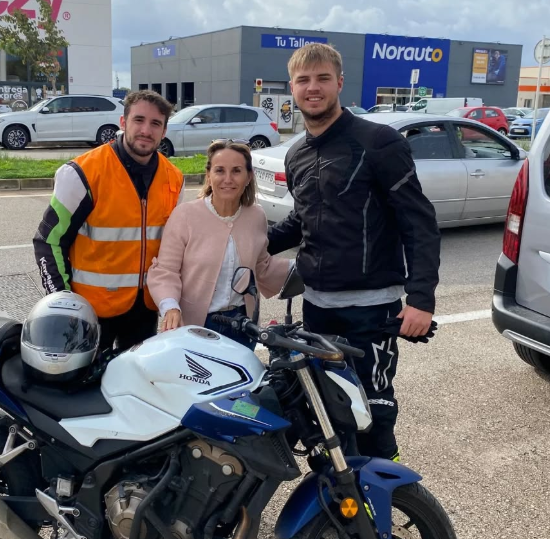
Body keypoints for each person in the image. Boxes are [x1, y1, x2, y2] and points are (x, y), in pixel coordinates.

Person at [268, 43, 441, 460]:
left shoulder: (378, 142)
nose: (313, 88)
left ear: (339, 83)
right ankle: (343, 509)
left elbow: (418, 223)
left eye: (323, 78)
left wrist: (421, 300)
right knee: (329, 414)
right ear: (292, 87)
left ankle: (384, 506)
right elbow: (303, 221)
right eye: (304, 80)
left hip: (373, 312)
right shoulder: (296, 154)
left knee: (374, 416)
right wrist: (243, 240)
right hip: (317, 310)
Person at [33, 90, 184, 351]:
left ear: (164, 131)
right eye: (139, 120)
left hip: (145, 311)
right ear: (123, 122)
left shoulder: (174, 178)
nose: (146, 130)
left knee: (135, 386)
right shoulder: (83, 173)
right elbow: (48, 241)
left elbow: (176, 249)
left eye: (155, 124)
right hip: (90, 311)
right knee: (83, 387)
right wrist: (62, 302)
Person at [147, 140, 291, 349]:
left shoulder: (256, 215)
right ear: (209, 175)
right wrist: (170, 307)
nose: (228, 179)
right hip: (196, 326)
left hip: (243, 324)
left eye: (236, 171)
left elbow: (262, 267)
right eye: (220, 171)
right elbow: (165, 271)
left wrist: (303, 267)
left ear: (249, 176)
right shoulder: (185, 216)